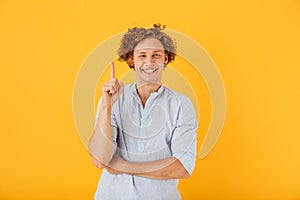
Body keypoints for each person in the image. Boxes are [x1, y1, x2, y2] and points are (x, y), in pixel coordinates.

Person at [88, 23, 198, 200]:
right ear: (132, 60)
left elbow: (182, 167)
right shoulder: (112, 99)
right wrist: (106, 107)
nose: (149, 62)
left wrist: (121, 166)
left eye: (156, 55)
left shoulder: (181, 104)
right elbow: (100, 160)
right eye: (142, 56)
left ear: (166, 59)